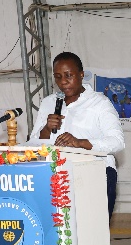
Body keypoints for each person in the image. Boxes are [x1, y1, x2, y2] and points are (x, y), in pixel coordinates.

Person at [30, 51, 124, 218]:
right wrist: (46, 129)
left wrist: (81, 143)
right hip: (55, 175)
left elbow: (117, 142)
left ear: (81, 74)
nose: (63, 82)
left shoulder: (99, 103)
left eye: (69, 75)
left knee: (92, 228)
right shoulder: (48, 103)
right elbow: (33, 144)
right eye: (58, 77)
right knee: (58, 229)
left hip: (95, 173)